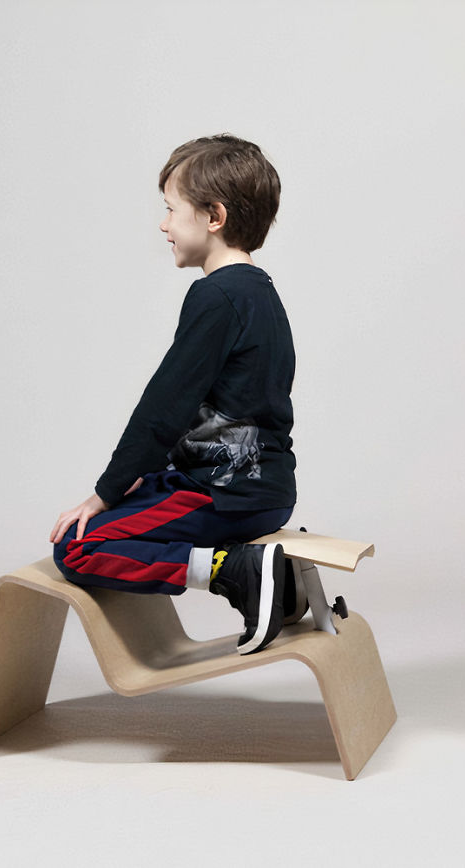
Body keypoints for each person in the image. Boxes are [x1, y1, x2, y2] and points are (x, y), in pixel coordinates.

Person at [50, 134, 297, 655]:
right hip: (265, 492)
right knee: (137, 506)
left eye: (170, 209)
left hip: (224, 493)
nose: (163, 225)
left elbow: (165, 407)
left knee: (77, 548)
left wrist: (105, 491)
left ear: (213, 216)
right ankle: (278, 582)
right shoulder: (261, 292)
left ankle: (234, 572)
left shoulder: (216, 295)